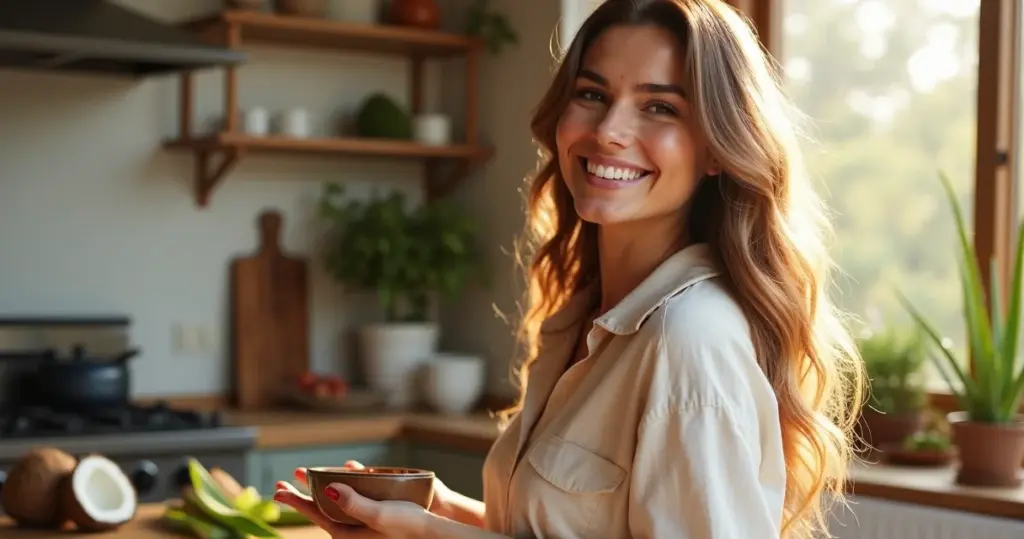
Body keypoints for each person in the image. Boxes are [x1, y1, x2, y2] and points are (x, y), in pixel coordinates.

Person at [273, 0, 866, 537]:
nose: (609, 132)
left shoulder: (690, 340)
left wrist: (430, 537)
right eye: (592, 94)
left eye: (660, 107)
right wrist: (437, 515)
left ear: (716, 147)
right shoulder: (583, 320)